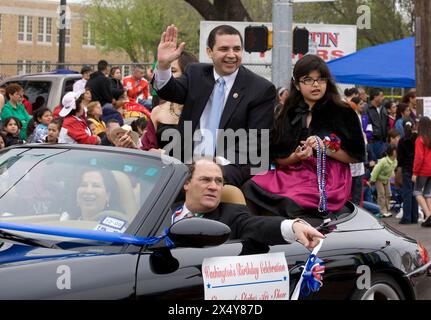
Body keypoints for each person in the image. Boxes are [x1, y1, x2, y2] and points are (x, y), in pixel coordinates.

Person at [242, 55, 365, 222]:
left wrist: (325, 147)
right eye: (308, 79)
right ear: (297, 85)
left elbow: (355, 156)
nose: (316, 84)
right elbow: (279, 158)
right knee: (250, 186)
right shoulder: (286, 113)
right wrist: (296, 157)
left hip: (328, 178)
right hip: (291, 173)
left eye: (321, 79)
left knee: (293, 199)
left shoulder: (343, 111)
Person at [153, 24, 276, 187]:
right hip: (185, 165)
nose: (232, 55)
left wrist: (214, 167)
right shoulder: (196, 73)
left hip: (229, 168)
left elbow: (256, 141)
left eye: (237, 49)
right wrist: (163, 65)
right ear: (209, 52)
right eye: (224, 49)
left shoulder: (260, 89)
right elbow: (169, 92)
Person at [174, 158, 324, 249]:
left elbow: (258, 225)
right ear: (187, 183)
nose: (214, 186)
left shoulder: (232, 215)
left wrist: (294, 227)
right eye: (205, 180)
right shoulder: (164, 210)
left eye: (219, 181)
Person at [143, 51, 198, 151]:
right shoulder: (158, 111)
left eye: (172, 71)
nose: (166, 77)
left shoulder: (206, 110)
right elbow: (146, 148)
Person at [397, 121, 418, 224]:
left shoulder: (401, 141)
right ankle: (415, 217)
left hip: (406, 169)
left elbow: (399, 159)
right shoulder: (417, 139)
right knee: (415, 193)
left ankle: (407, 217)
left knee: (407, 193)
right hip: (416, 169)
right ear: (413, 126)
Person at [370, 145, 398, 218]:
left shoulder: (395, 161)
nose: (397, 151)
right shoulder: (384, 161)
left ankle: (387, 209)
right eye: (395, 150)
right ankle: (382, 210)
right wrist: (372, 180)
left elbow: (392, 170)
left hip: (386, 179)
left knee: (388, 194)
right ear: (391, 152)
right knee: (381, 194)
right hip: (378, 178)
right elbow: (376, 170)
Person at [413, 117, 431, 227]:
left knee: (417, 192)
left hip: (423, 169)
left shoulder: (420, 139)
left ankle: (428, 215)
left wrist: (415, 172)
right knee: (428, 193)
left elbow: (419, 157)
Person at [364, 88, 388, 159]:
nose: (383, 98)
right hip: (373, 142)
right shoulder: (366, 108)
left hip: (383, 141)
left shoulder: (383, 108)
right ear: (375, 97)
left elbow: (386, 123)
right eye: (381, 96)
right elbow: (365, 125)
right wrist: (371, 139)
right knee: (374, 165)